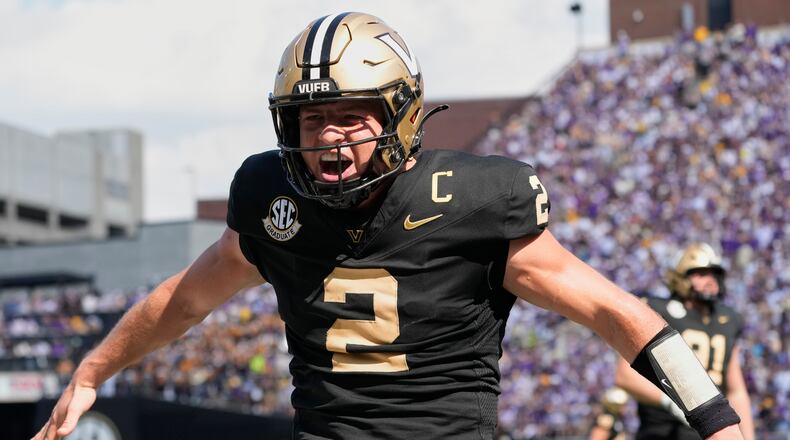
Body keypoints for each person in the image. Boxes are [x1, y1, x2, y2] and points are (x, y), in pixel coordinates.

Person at [34, 12, 744, 440]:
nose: (330, 140)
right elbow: (183, 302)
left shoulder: (474, 199)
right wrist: (94, 369)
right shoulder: (272, 197)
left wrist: (717, 418)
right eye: (312, 120)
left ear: (401, 116)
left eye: (352, 117)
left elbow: (618, 314)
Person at [615, 243, 755, 440]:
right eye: (700, 273)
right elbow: (625, 376)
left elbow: (736, 390)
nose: (710, 280)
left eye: (713, 273)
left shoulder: (728, 319)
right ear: (680, 277)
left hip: (708, 428)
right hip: (662, 430)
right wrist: (670, 402)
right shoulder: (658, 311)